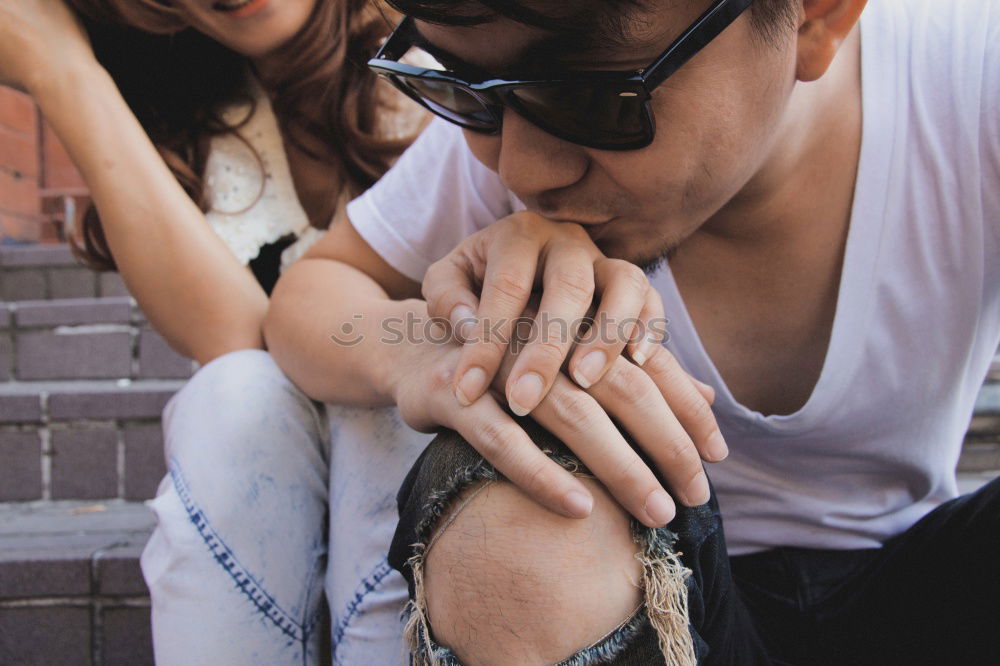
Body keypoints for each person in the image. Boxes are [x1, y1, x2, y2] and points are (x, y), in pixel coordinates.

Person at [264, 0, 1000, 662]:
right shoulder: (508, 127)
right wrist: (437, 344)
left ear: (816, 15)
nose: (521, 168)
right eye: (461, 86)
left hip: (926, 584)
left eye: (595, 97)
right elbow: (310, 297)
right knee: (519, 508)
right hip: (658, 597)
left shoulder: (968, 76)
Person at [0, 0, 432, 662]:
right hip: (258, 459)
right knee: (233, 390)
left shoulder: (439, 58)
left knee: (393, 386)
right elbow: (234, 340)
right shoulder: (189, 110)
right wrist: (63, 71)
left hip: (418, 457)